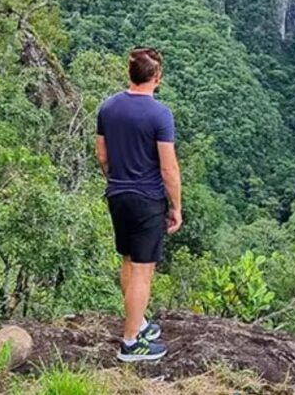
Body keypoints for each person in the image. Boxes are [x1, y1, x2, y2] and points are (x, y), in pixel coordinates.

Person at [95, 46, 182, 362]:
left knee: (129, 261)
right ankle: (131, 343)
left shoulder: (108, 108)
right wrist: (176, 207)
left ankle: (137, 322)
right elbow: (168, 168)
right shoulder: (160, 114)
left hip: (118, 195)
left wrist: (117, 180)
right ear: (157, 77)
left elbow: (102, 155)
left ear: (130, 73)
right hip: (147, 199)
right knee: (144, 271)